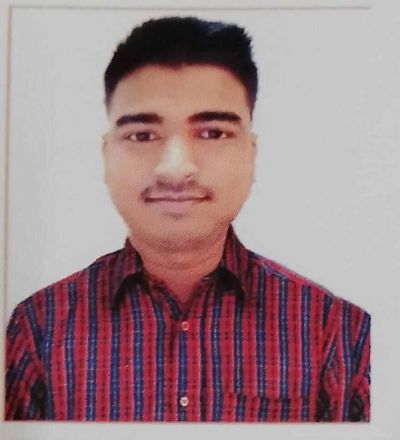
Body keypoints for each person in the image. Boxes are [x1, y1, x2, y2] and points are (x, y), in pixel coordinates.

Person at [5, 16, 370, 422]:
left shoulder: (334, 332)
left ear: (250, 154)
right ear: (107, 155)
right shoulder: (39, 328)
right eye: (142, 135)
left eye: (212, 133)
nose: (175, 169)